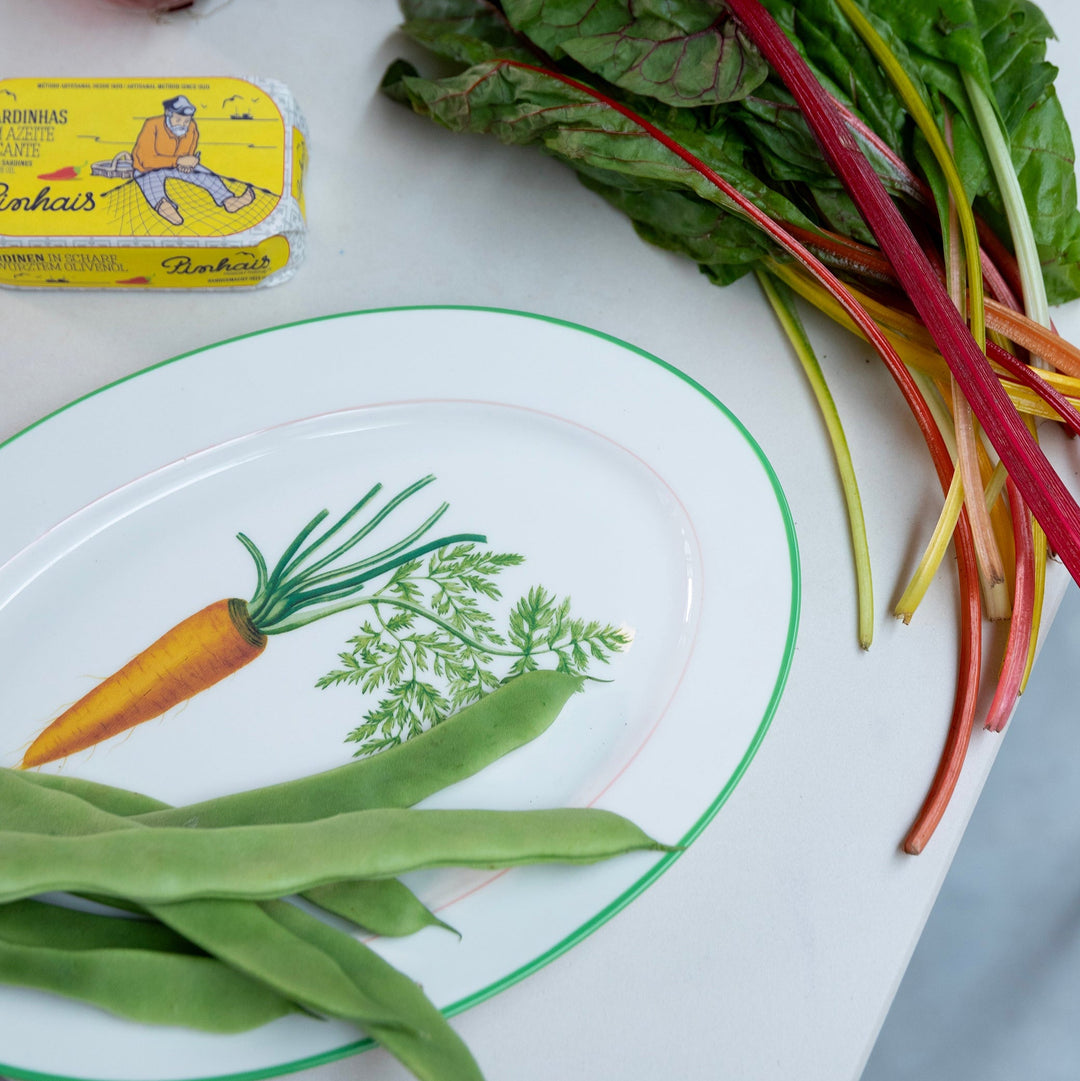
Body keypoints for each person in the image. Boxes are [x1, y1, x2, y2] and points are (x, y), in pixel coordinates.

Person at [131, 94, 254, 225]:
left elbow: (187, 152)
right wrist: (179, 161)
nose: (183, 125)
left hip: (175, 166)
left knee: (206, 175)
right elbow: (145, 160)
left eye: (186, 121)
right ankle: (164, 207)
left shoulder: (191, 127)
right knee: (152, 186)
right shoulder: (152, 125)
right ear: (168, 113)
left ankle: (229, 200)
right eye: (178, 120)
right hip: (147, 169)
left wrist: (190, 162)